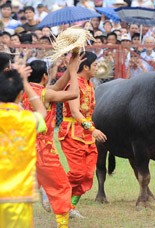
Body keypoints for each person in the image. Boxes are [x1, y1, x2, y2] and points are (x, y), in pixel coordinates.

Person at [22, 56, 82, 226]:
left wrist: (70, 69)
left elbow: (56, 87)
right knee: (61, 186)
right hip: (42, 148)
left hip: (23, 144)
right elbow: (73, 94)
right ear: (44, 77)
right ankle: (62, 223)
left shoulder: (26, 90)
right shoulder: (45, 93)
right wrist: (72, 72)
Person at [58, 51, 107, 217]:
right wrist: (94, 130)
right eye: (94, 65)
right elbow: (75, 111)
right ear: (85, 67)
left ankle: (70, 207)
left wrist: (91, 130)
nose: (97, 67)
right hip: (73, 133)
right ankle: (55, 194)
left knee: (87, 176)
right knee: (78, 172)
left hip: (87, 134)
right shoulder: (74, 84)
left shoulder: (89, 84)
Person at [0, 64, 47, 227]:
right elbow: (42, 111)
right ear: (21, 95)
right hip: (19, 195)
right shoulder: (28, 120)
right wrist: (25, 83)